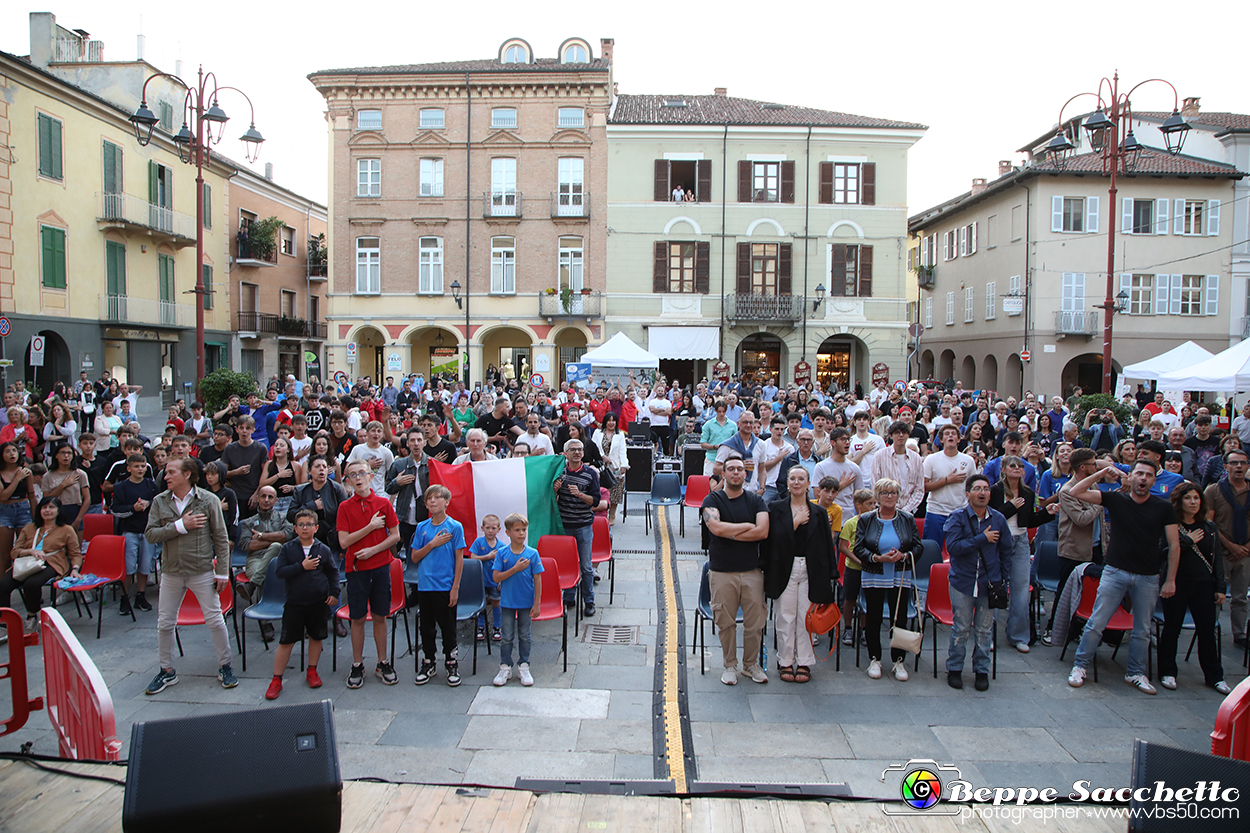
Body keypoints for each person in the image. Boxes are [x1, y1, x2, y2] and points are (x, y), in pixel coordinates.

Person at [1066, 460, 1179, 694]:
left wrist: (1170, 580)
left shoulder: (1163, 507)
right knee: (1096, 622)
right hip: (1115, 571)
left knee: (1142, 629)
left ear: (1153, 480)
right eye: (1139, 473)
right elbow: (1074, 491)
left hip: (1148, 576)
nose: (1143, 478)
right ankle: (1080, 665)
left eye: (1148, 475)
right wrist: (1100, 473)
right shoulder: (1116, 499)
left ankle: (1136, 672)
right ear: (1131, 476)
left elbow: (1174, 544)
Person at [144, 458, 236, 694]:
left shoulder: (208, 500)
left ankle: (225, 666)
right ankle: (166, 670)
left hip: (201, 571)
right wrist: (180, 526)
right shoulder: (159, 501)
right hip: (171, 572)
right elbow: (151, 535)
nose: (166, 476)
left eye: (171, 472)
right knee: (165, 623)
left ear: (187, 474)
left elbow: (221, 539)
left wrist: (222, 572)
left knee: (215, 619)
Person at [701, 454, 769, 685]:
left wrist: (731, 532)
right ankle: (730, 665)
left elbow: (762, 532)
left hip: (751, 571)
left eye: (740, 469)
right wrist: (746, 527)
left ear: (745, 473)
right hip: (722, 571)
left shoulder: (756, 501)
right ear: (724, 474)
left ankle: (750, 664)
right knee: (726, 622)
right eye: (731, 469)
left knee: (755, 622)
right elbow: (716, 528)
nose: (736, 473)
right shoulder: (712, 500)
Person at [763, 467, 836, 683]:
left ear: (808, 483)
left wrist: (830, 573)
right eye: (792, 479)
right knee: (785, 616)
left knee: (806, 617)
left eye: (801, 479)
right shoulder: (775, 508)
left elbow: (826, 544)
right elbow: (772, 542)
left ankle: (804, 661)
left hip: (810, 568)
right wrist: (794, 523)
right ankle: (785, 660)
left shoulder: (819, 512)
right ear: (787, 483)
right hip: (784, 566)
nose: (796, 482)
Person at [1158, 483, 1230, 694]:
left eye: (1196, 498)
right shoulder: (1171, 526)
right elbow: (1161, 552)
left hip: (1203, 585)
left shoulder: (1210, 527)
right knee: (1172, 628)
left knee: (1207, 630)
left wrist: (1220, 587)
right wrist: (1187, 541)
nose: (1193, 502)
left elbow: (1216, 559)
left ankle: (1215, 676)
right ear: (1180, 501)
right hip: (1176, 583)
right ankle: (1168, 671)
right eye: (1188, 498)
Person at [340, 454, 403, 692]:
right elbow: (344, 542)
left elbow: (395, 535)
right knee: (357, 618)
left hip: (380, 567)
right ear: (348, 480)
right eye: (352, 475)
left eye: (362, 474)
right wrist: (370, 527)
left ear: (371, 476)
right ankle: (357, 664)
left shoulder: (384, 504)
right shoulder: (345, 507)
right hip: (356, 570)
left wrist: (373, 549)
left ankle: (382, 661)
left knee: (380, 616)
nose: (358, 478)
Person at [943, 474, 1011, 691]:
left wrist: (1003, 578)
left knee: (984, 629)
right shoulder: (957, 517)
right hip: (963, 581)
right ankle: (954, 668)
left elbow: (1006, 551)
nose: (982, 493)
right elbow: (953, 547)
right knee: (961, 627)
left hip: (989, 583)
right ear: (968, 494)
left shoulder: (998, 519)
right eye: (977, 489)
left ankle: (981, 670)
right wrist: (982, 538)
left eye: (986, 489)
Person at [263, 509, 339, 700]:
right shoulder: (288, 549)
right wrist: (301, 567)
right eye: (301, 525)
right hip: (295, 603)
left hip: (318, 602)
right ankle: (277, 678)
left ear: (316, 528)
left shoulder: (323, 549)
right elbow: (279, 572)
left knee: (316, 636)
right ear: (295, 529)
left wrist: (334, 593)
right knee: (286, 641)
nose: (305, 528)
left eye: (309, 524)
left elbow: (332, 573)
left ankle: (312, 670)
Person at [853, 478, 923, 681]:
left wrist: (904, 555)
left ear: (899, 496)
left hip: (900, 574)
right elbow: (858, 547)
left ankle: (898, 661)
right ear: (877, 497)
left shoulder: (907, 518)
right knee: (873, 617)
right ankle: (875, 658)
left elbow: (918, 547)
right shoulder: (866, 519)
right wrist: (877, 558)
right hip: (874, 574)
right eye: (884, 493)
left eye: (893, 493)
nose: (889, 497)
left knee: (899, 618)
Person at [989, 455, 1056, 652]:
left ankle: (1018, 636)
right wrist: (1011, 507)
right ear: (1004, 470)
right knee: (995, 587)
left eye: (1020, 466)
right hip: (999, 542)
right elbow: (992, 517)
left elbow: (1029, 520)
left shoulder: (1027, 492)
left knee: (1020, 590)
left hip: (1021, 542)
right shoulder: (995, 491)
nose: (1017, 468)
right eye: (1012, 465)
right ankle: (988, 635)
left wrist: (1047, 513)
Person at [0, 496, 81, 635]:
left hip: (52, 563)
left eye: (51, 507)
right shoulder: (29, 528)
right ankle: (4, 622)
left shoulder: (66, 530)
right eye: (44, 507)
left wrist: (75, 569)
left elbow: (75, 554)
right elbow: (14, 552)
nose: (47, 510)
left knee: (31, 584)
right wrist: (29, 551)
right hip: (28, 562)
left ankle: (32, 616)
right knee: (3, 584)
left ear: (58, 511)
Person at [410, 484, 465, 686]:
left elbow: (459, 559)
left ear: (447, 502)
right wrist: (432, 544)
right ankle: (429, 660)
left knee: (448, 627)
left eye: (437, 497)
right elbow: (415, 556)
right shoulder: (422, 528)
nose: (432, 501)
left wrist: (455, 587)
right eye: (429, 499)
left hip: (445, 586)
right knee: (426, 627)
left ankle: (451, 662)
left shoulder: (455, 527)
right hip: (425, 586)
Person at [1204, 447, 1250, 650]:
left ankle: (1240, 634)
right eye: (1234, 463)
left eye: (1242, 463)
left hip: (1246, 553)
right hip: (1220, 551)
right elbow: (1208, 522)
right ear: (1225, 466)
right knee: (1216, 594)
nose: (1238, 466)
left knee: (1240, 597)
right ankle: (1210, 631)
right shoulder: (1214, 490)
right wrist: (1230, 545)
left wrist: (1244, 548)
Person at [491, 513, 544, 687]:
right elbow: (496, 578)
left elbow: (537, 579)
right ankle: (505, 666)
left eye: (523, 530)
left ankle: (524, 665)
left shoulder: (532, 553)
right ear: (507, 533)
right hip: (506, 602)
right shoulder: (502, 553)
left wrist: (537, 603)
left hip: (526, 603)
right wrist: (514, 569)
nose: (521, 533)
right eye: (517, 530)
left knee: (525, 635)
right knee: (506, 636)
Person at [554, 439, 601, 616]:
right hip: (564, 525)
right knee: (567, 563)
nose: (577, 452)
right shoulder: (560, 472)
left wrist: (580, 495)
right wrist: (555, 490)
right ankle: (569, 596)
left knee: (586, 566)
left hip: (583, 525)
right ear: (565, 453)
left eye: (579, 449)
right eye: (573, 449)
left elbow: (596, 501)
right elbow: (550, 499)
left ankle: (589, 601)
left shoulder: (590, 473)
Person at [236, 486, 295, 625]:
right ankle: (266, 621)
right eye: (263, 496)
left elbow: (287, 535)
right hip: (255, 559)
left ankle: (251, 587)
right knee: (265, 574)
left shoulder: (283, 518)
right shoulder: (247, 522)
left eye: (270, 497)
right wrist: (274, 539)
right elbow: (246, 546)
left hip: (278, 561)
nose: (266, 500)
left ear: (275, 500)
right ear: (257, 498)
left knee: (276, 547)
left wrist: (261, 537)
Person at [110, 453, 160, 614]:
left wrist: (149, 503)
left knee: (145, 566)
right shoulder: (121, 487)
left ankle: (141, 595)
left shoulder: (151, 485)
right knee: (129, 567)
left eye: (143, 466)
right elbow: (115, 509)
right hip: (129, 531)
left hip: (147, 531)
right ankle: (125, 598)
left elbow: (159, 504)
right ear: (129, 468)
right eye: (136, 466)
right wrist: (133, 508)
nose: (140, 469)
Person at [922, 425, 975, 551]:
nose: (950, 436)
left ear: (959, 439)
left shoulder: (969, 460)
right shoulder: (931, 459)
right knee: (932, 550)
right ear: (941, 440)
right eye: (947, 434)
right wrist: (947, 480)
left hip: (961, 511)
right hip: (936, 511)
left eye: (953, 434)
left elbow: (974, 487)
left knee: (961, 551)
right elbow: (923, 487)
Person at [221, 416, 269, 519]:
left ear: (253, 430)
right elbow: (221, 473)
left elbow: (265, 475)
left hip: (254, 493)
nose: (244, 431)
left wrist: (257, 494)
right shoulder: (230, 448)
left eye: (247, 428)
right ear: (236, 429)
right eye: (241, 428)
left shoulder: (260, 448)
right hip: (236, 495)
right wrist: (235, 472)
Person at [0, 442, 36, 575]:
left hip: (23, 508)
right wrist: (17, 479)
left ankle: (27, 590)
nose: (12, 454)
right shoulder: (3, 473)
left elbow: (32, 496)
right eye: (7, 451)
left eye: (14, 451)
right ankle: (4, 591)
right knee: (5, 555)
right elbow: (3, 497)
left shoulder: (27, 472)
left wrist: (35, 516)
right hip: (4, 510)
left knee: (25, 551)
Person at [468, 514, 504, 642]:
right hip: (480, 580)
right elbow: (472, 558)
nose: (490, 530)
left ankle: (497, 627)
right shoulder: (478, 542)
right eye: (487, 528)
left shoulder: (502, 546)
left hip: (494, 581)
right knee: (482, 604)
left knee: (496, 603)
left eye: (493, 528)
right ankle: (481, 627)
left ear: (499, 530)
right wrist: (487, 557)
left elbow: (504, 565)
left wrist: (502, 580)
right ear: (482, 528)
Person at [42, 443, 89, 531]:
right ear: (56, 455)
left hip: (74, 509)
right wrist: (62, 486)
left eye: (69, 453)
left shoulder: (80, 474)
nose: (66, 456)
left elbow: (87, 499)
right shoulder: (48, 476)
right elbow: (46, 499)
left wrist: (78, 519)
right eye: (63, 453)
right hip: (55, 510)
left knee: (75, 543)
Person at [592, 413, 628, 524]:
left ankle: (612, 514)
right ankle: (603, 513)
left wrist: (624, 465)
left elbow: (623, 451)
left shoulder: (620, 434)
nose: (611, 423)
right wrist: (602, 456)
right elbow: (594, 447)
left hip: (614, 466)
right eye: (609, 420)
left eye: (613, 420)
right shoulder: (597, 433)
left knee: (615, 491)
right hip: (601, 466)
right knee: (601, 491)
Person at [346, 420, 394, 497]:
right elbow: (347, 470)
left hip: (378, 494)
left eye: (379, 431)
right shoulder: (357, 449)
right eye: (373, 431)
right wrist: (368, 465)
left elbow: (392, 474)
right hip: (358, 494)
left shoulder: (386, 452)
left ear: (382, 435)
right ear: (367, 433)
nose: (376, 434)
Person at [260, 437, 304, 517]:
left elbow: (300, 487)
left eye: (281, 445)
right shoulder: (269, 464)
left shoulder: (295, 465)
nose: (278, 447)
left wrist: (291, 488)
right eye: (276, 445)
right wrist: (278, 475)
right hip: (272, 500)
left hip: (289, 500)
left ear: (288, 450)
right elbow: (262, 484)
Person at [750, 417, 792, 501]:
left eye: (782, 429)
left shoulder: (789, 448)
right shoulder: (763, 445)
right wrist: (779, 458)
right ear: (770, 429)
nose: (779, 432)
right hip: (768, 485)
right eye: (776, 429)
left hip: (783, 487)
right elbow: (761, 466)